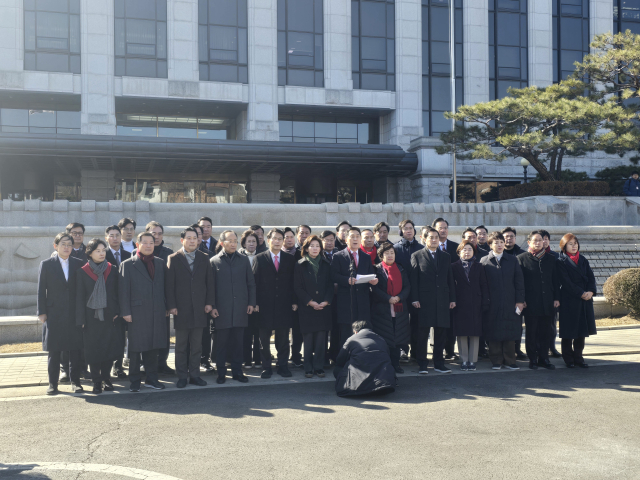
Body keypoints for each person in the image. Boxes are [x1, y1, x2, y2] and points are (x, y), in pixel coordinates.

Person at [165, 227, 215, 388]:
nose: (192, 241)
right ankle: (181, 376)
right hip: (181, 309)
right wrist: (171, 306)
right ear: (182, 240)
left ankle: (194, 375)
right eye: (189, 238)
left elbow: (210, 283)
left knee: (196, 346)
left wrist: (209, 303)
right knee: (180, 346)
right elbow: (169, 285)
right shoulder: (173, 258)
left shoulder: (204, 258)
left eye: (195, 238)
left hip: (200, 309)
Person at [119, 232, 168, 392]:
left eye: (151, 243)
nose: (148, 245)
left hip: (157, 311)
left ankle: (152, 379)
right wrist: (125, 311)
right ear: (137, 244)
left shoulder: (160, 263)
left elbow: (165, 288)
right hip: (136, 312)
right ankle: (134, 381)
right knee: (135, 348)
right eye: (145, 242)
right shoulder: (127, 264)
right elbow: (123, 291)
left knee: (153, 347)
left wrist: (167, 307)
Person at [37, 233, 85, 395]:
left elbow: (83, 291)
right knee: (54, 351)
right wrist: (41, 312)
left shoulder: (79, 264)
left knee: (75, 350)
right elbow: (40, 290)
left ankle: (76, 382)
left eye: (69, 245)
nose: (66, 247)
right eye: (63, 244)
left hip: (74, 313)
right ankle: (52, 384)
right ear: (55, 246)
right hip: (53, 313)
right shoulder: (46, 264)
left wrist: (83, 313)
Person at [75, 239, 124, 394]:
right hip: (91, 318)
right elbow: (79, 298)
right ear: (90, 253)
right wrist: (81, 319)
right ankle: (96, 381)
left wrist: (117, 312)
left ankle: (107, 378)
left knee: (108, 349)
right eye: (98, 250)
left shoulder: (112, 269)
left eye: (103, 250)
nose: (102, 253)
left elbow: (118, 293)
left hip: (110, 316)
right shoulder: (82, 272)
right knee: (94, 350)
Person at [210, 230, 256, 384]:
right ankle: (221, 373)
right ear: (222, 243)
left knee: (238, 343)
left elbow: (251, 283)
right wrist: (213, 306)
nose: (233, 243)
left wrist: (251, 303)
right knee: (221, 344)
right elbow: (211, 288)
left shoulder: (243, 260)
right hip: (221, 310)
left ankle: (238, 372)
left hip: (240, 309)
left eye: (235, 241)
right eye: (230, 240)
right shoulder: (214, 261)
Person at [410, 226, 456, 374]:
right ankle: (423, 363)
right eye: (431, 237)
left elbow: (450, 279)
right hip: (424, 301)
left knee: (441, 334)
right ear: (424, 239)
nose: (434, 240)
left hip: (442, 300)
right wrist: (415, 298)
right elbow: (414, 280)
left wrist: (452, 298)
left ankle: (439, 363)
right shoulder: (417, 255)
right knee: (422, 334)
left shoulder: (446, 256)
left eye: (436, 237)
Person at [252, 228, 298, 378]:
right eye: (275, 238)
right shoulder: (259, 258)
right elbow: (254, 283)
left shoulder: (290, 259)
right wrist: (255, 302)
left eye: (280, 238)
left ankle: (283, 365)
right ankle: (266, 367)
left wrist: (294, 301)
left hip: (284, 306)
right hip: (264, 306)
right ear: (268, 239)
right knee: (264, 339)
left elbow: (294, 283)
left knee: (283, 339)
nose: (277, 241)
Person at [480, 232, 525, 370]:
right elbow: (482, 284)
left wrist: (520, 301)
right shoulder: (484, 261)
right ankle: (496, 360)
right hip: (492, 303)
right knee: (494, 331)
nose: (499, 245)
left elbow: (519, 282)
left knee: (510, 331)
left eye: (501, 242)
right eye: (496, 242)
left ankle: (510, 360)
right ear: (490, 245)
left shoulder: (512, 260)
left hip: (510, 301)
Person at [517, 230, 561, 370]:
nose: (537, 243)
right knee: (531, 332)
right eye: (534, 240)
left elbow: (556, 281)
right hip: (530, 303)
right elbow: (519, 282)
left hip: (548, 302)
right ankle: (533, 359)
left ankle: (544, 358)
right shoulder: (521, 258)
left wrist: (556, 298)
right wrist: (521, 299)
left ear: (544, 242)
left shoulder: (551, 259)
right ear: (529, 242)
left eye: (540, 240)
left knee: (546, 332)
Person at [331, 227, 378, 345]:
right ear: (346, 239)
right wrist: (346, 280)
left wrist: (372, 280)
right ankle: (345, 359)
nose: (355, 239)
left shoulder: (366, 257)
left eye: (358, 236)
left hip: (362, 301)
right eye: (352, 236)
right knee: (346, 333)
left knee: (363, 331)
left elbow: (370, 274)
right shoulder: (338, 256)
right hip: (346, 300)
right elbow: (333, 275)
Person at [294, 235, 333, 378]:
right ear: (306, 248)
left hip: (323, 307)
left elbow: (330, 285)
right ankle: (308, 367)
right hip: (307, 308)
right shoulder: (300, 264)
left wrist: (326, 301)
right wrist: (310, 302)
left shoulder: (326, 263)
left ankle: (319, 366)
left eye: (317, 246)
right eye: (312, 246)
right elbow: (297, 287)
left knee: (321, 339)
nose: (315, 248)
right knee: (308, 339)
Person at [557, 233, 597, 368]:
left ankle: (579, 357)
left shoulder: (583, 259)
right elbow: (565, 282)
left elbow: (591, 277)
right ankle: (568, 358)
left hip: (585, 300)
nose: (574, 246)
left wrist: (591, 292)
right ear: (564, 246)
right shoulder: (561, 261)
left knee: (581, 331)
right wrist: (580, 293)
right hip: (570, 300)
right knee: (569, 330)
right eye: (570, 244)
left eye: (575, 243)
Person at [370, 242, 410, 374]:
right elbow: (374, 289)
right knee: (384, 340)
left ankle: (395, 364)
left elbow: (407, 287)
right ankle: (384, 365)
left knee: (397, 339)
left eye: (392, 252)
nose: (390, 255)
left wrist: (399, 297)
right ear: (381, 255)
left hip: (399, 310)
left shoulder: (401, 269)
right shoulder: (376, 269)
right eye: (387, 253)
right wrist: (388, 298)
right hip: (382, 310)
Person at [451, 240, 489, 371]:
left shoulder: (479, 266)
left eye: (469, 249)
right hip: (459, 303)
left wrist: (485, 301)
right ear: (459, 252)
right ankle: (464, 359)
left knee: (474, 333)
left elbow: (483, 285)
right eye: (464, 249)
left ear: (474, 252)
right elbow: (451, 285)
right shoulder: (454, 266)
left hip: (475, 303)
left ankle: (472, 360)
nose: (467, 252)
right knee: (461, 333)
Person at [333, 321, 395, 397]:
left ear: (355, 331)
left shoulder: (351, 339)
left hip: (356, 386)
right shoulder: (381, 339)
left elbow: (340, 360)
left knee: (337, 369)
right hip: (383, 384)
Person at [393, 219, 423, 362]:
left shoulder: (421, 248)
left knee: (417, 323)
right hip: (401, 293)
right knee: (401, 323)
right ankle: (402, 351)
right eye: (405, 228)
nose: (408, 230)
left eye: (411, 228)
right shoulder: (395, 249)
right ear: (401, 231)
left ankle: (417, 352)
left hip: (418, 292)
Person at [105, 225, 131, 379]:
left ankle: (118, 367)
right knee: (109, 337)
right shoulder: (101, 254)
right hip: (108, 303)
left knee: (121, 337)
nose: (115, 238)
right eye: (111, 235)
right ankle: (106, 368)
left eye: (117, 235)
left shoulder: (129, 254)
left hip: (125, 301)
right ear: (106, 237)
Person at [433, 217, 459, 361]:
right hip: (434, 293)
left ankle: (450, 351)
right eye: (439, 228)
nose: (442, 230)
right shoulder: (430, 248)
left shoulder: (456, 247)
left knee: (450, 324)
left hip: (450, 290)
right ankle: (436, 351)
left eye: (445, 228)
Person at [502, 226, 527, 359]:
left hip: (517, 296)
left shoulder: (522, 254)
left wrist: (522, 298)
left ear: (515, 238)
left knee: (517, 325)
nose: (509, 239)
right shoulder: (497, 253)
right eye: (506, 237)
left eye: (511, 236)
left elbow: (523, 279)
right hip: (502, 296)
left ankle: (517, 349)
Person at [238, 229, 261, 368]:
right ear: (244, 243)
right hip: (243, 302)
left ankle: (258, 360)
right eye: (249, 241)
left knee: (258, 332)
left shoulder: (262, 257)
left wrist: (256, 302)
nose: (251, 244)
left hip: (258, 302)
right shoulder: (239, 257)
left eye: (254, 241)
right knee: (245, 333)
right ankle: (246, 359)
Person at [541, 229, 562, 358]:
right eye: (540, 239)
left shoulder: (555, 256)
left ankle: (552, 347)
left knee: (552, 325)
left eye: (546, 239)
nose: (543, 241)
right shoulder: (530, 256)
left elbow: (558, 279)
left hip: (551, 295)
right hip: (538, 297)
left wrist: (556, 297)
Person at [321, 230, 340, 362]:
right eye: (326, 240)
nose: (329, 242)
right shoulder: (317, 253)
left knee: (336, 327)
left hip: (338, 297)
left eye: (332, 240)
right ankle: (322, 355)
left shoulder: (340, 254)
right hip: (322, 297)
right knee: (323, 328)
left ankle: (335, 353)